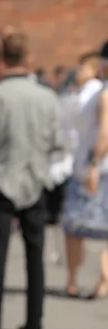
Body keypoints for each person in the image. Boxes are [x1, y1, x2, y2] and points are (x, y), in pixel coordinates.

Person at [0, 33, 65, 329]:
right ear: (28, 58)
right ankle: (34, 323)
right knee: (36, 257)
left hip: (0, 182)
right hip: (35, 182)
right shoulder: (47, 97)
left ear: (2, 59)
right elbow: (58, 142)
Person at [62, 46, 108, 300]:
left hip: (95, 168)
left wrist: (93, 164)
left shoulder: (103, 93)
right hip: (95, 166)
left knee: (74, 225)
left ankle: (83, 279)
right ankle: (100, 278)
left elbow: (105, 132)